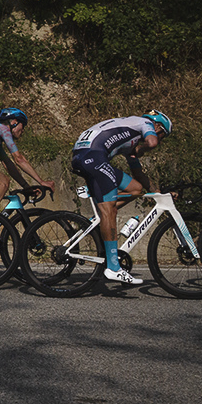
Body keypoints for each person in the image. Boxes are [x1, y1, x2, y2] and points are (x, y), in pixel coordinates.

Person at [70, 110, 172, 285]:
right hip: (93, 156)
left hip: (85, 155)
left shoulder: (129, 133)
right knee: (110, 211)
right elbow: (152, 142)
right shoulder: (143, 123)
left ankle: (101, 216)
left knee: (136, 189)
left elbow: (138, 176)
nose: (161, 140)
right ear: (157, 126)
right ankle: (114, 268)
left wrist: (158, 192)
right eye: (163, 135)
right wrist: (142, 148)